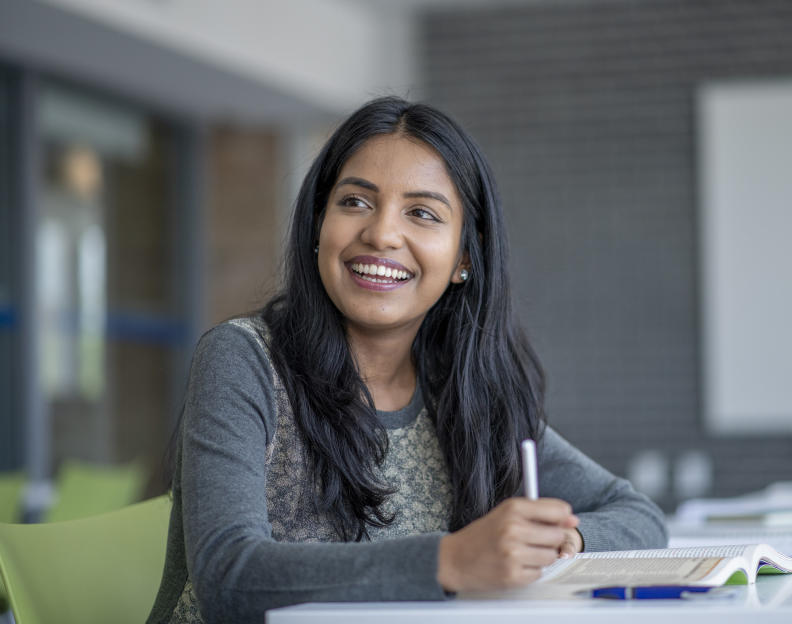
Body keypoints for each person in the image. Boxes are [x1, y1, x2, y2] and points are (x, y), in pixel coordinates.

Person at [147, 97, 667, 624]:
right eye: (355, 202)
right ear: (318, 224)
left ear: (465, 257)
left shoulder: (466, 393)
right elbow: (229, 577)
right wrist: (453, 560)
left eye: (421, 213)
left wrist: (563, 541)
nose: (381, 234)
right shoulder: (244, 359)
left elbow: (639, 517)